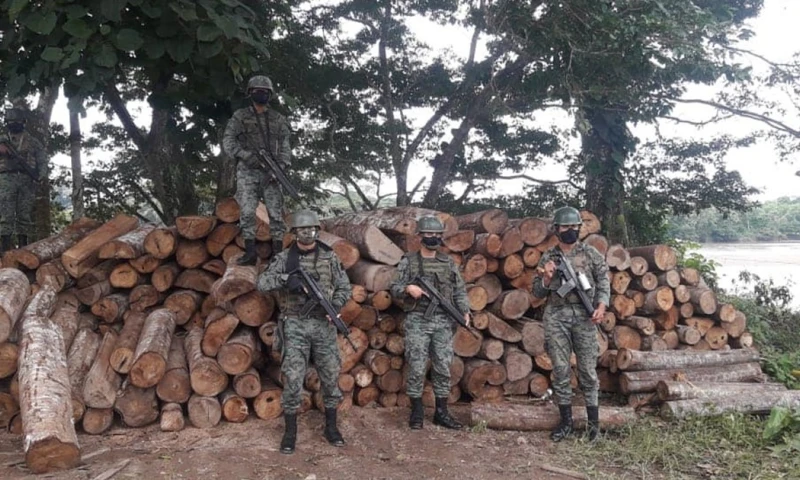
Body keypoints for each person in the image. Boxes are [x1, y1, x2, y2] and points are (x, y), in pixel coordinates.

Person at [257, 209, 351, 454]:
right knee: (293, 378)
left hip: (323, 325)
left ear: (317, 231)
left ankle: (331, 427)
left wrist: (336, 307)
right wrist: (286, 279)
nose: (308, 233)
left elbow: (343, 288)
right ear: (295, 233)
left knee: (330, 376)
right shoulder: (285, 259)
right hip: (295, 325)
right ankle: (290, 432)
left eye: (311, 229)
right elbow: (263, 283)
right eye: (302, 230)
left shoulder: (330, 258)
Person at [532, 206, 610, 442]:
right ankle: (565, 422)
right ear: (556, 229)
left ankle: (593, 425)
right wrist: (546, 277)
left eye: (574, 227)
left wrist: (601, 306)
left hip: (585, 318)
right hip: (557, 316)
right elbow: (536, 292)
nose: (570, 231)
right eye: (565, 227)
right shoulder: (549, 257)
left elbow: (604, 282)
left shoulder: (591, 254)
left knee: (587, 370)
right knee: (560, 369)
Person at [389, 216, 470, 430]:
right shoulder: (409, 261)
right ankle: (416, 410)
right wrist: (408, 289)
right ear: (420, 236)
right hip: (417, 320)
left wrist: (464, 310)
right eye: (429, 234)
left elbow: (459, 290)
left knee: (443, 366)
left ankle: (441, 412)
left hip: (443, 321)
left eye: (437, 235)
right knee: (416, 365)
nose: (433, 238)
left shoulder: (447, 263)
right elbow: (394, 287)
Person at [223, 75, 292, 265]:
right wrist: (245, 156)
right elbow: (228, 141)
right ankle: (250, 252)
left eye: (265, 92)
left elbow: (286, 145)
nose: (261, 94)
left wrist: (282, 165)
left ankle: (278, 255)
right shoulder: (240, 116)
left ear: (270, 95)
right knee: (246, 212)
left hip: (272, 170)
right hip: (247, 170)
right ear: (250, 93)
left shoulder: (278, 119)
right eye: (257, 91)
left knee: (276, 214)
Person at [0, 107, 46, 253]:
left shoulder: (32, 141)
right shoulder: (2, 140)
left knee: (24, 215)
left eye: (17, 121)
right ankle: (4, 250)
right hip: (6, 178)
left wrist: (42, 176)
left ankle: (23, 249)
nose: (14, 124)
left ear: (23, 122)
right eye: (11, 121)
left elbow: (42, 161)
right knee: (6, 215)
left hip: (27, 179)